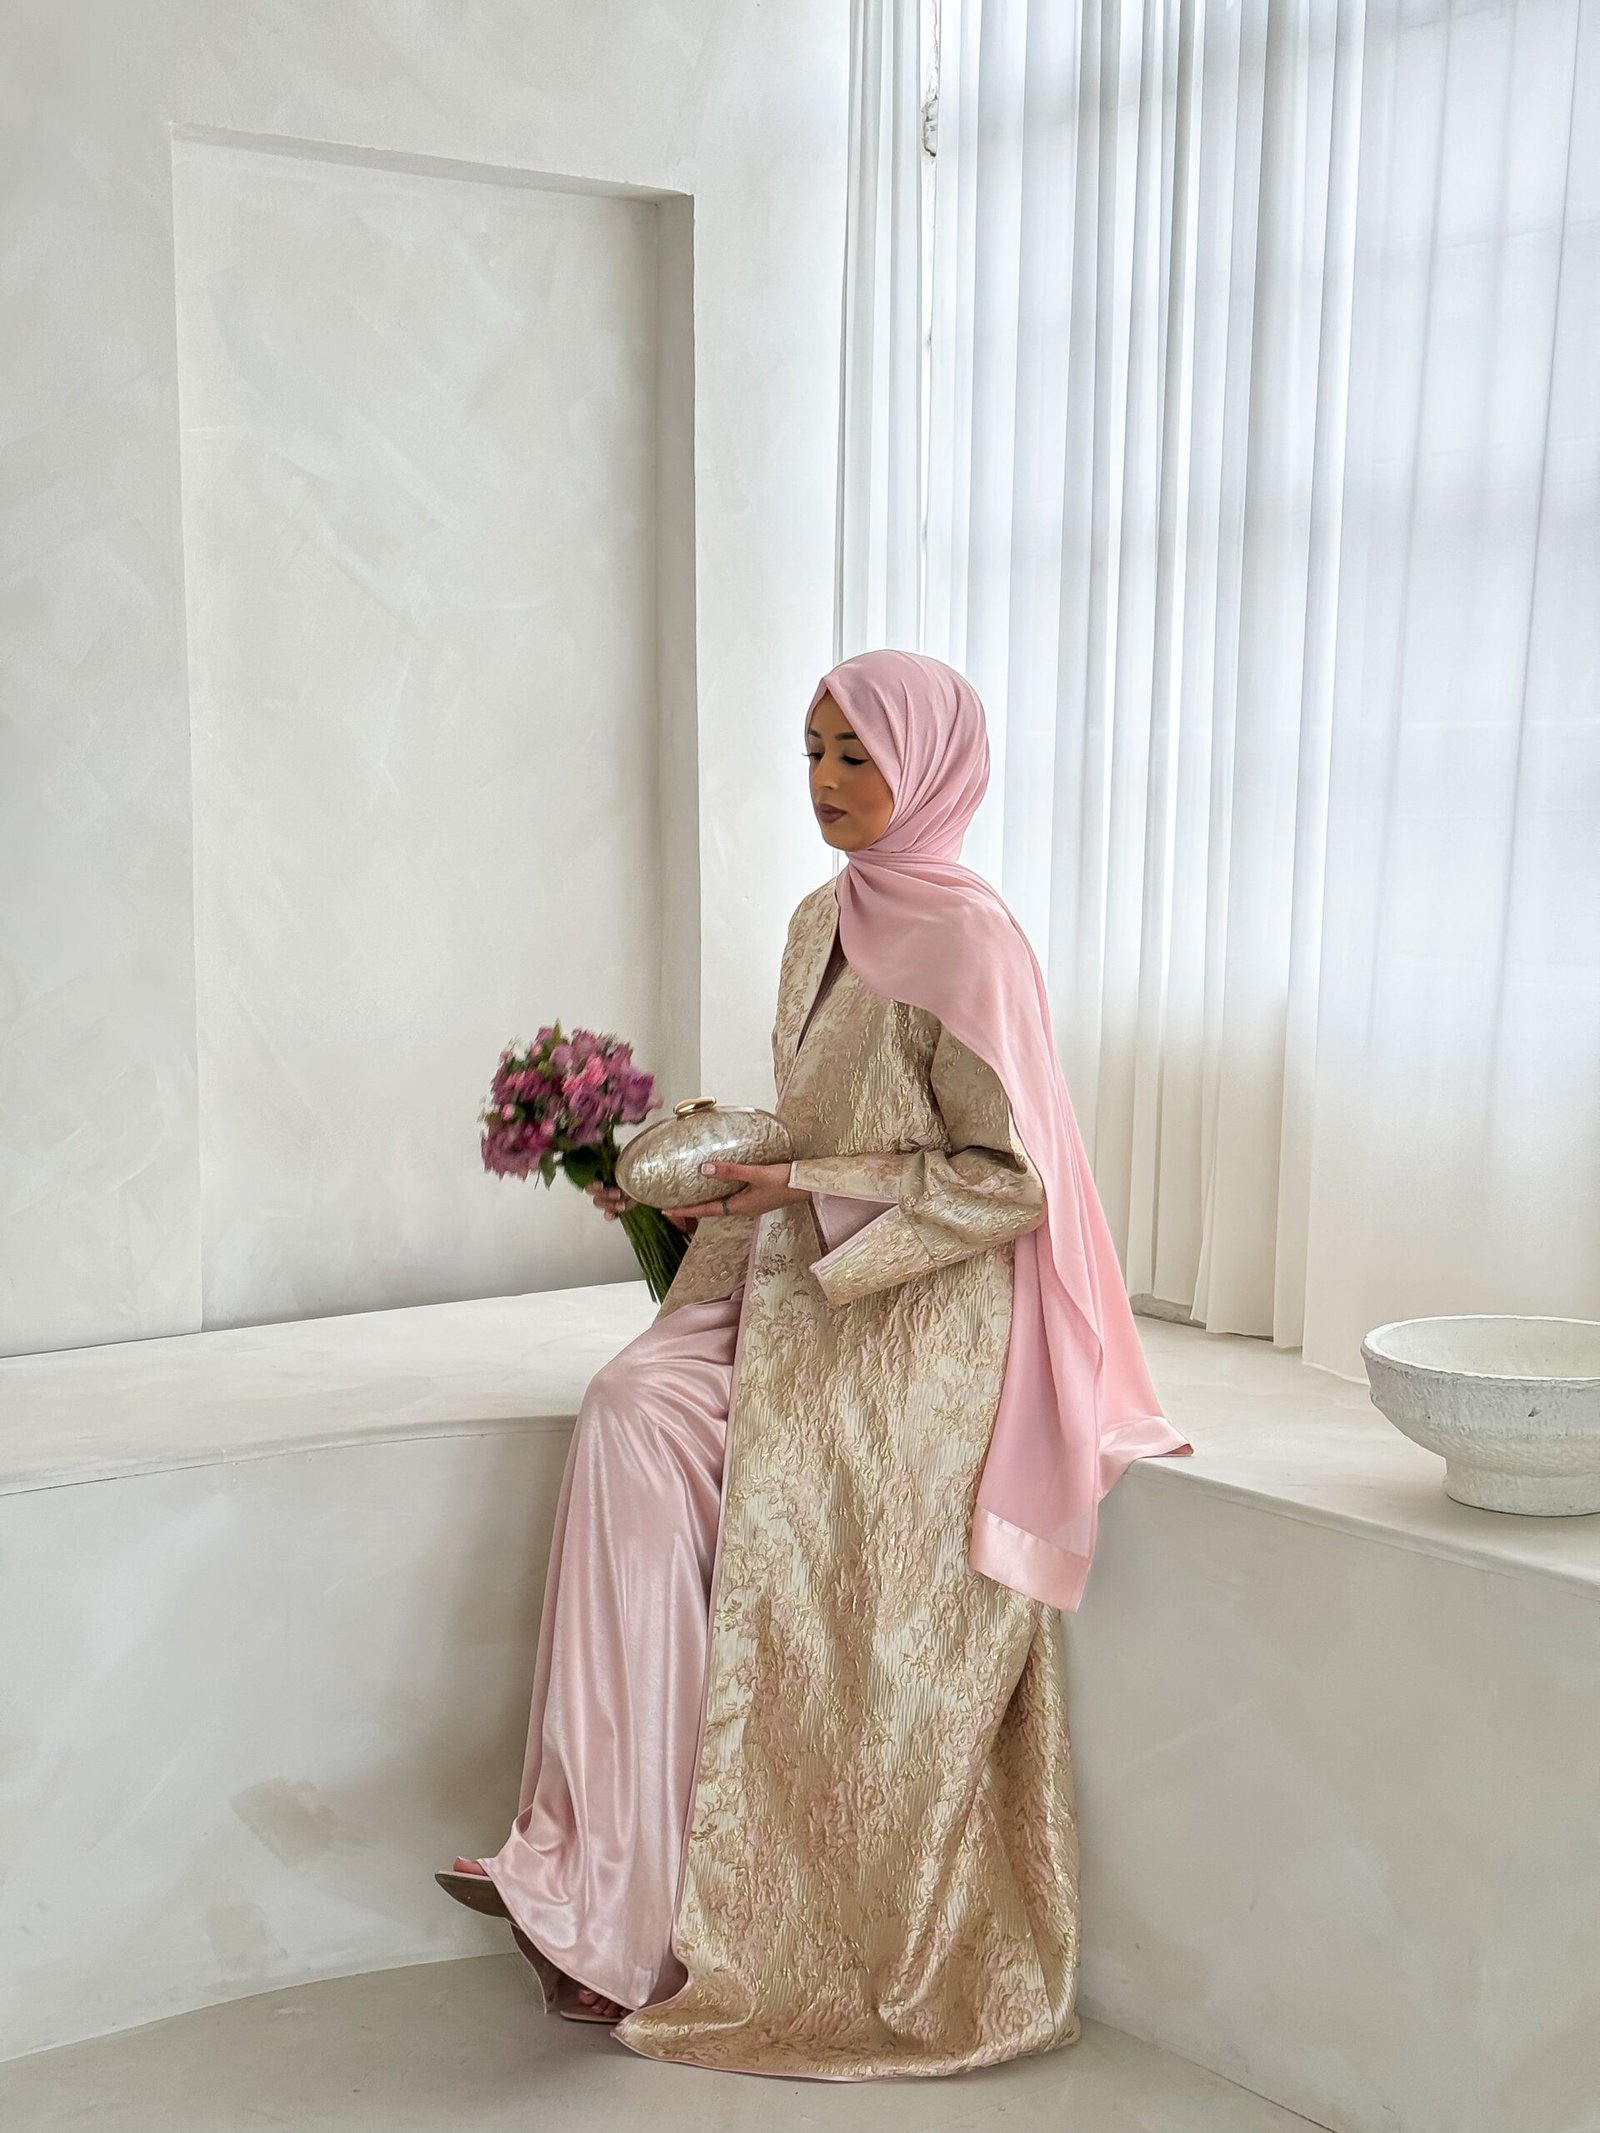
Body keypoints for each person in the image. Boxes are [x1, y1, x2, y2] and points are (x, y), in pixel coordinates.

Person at [437, 649, 1193, 2077]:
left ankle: (636, 1903)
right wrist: (718, 1170)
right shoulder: (818, 920)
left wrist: (806, 1190)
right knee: (631, 1406)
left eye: (860, 756)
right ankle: (595, 1882)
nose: (828, 782)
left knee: (724, 1480)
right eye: (813, 750)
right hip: (799, 1276)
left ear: (931, 769)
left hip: (916, 1313)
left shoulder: (971, 942)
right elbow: (824, 1117)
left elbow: (1009, 1180)